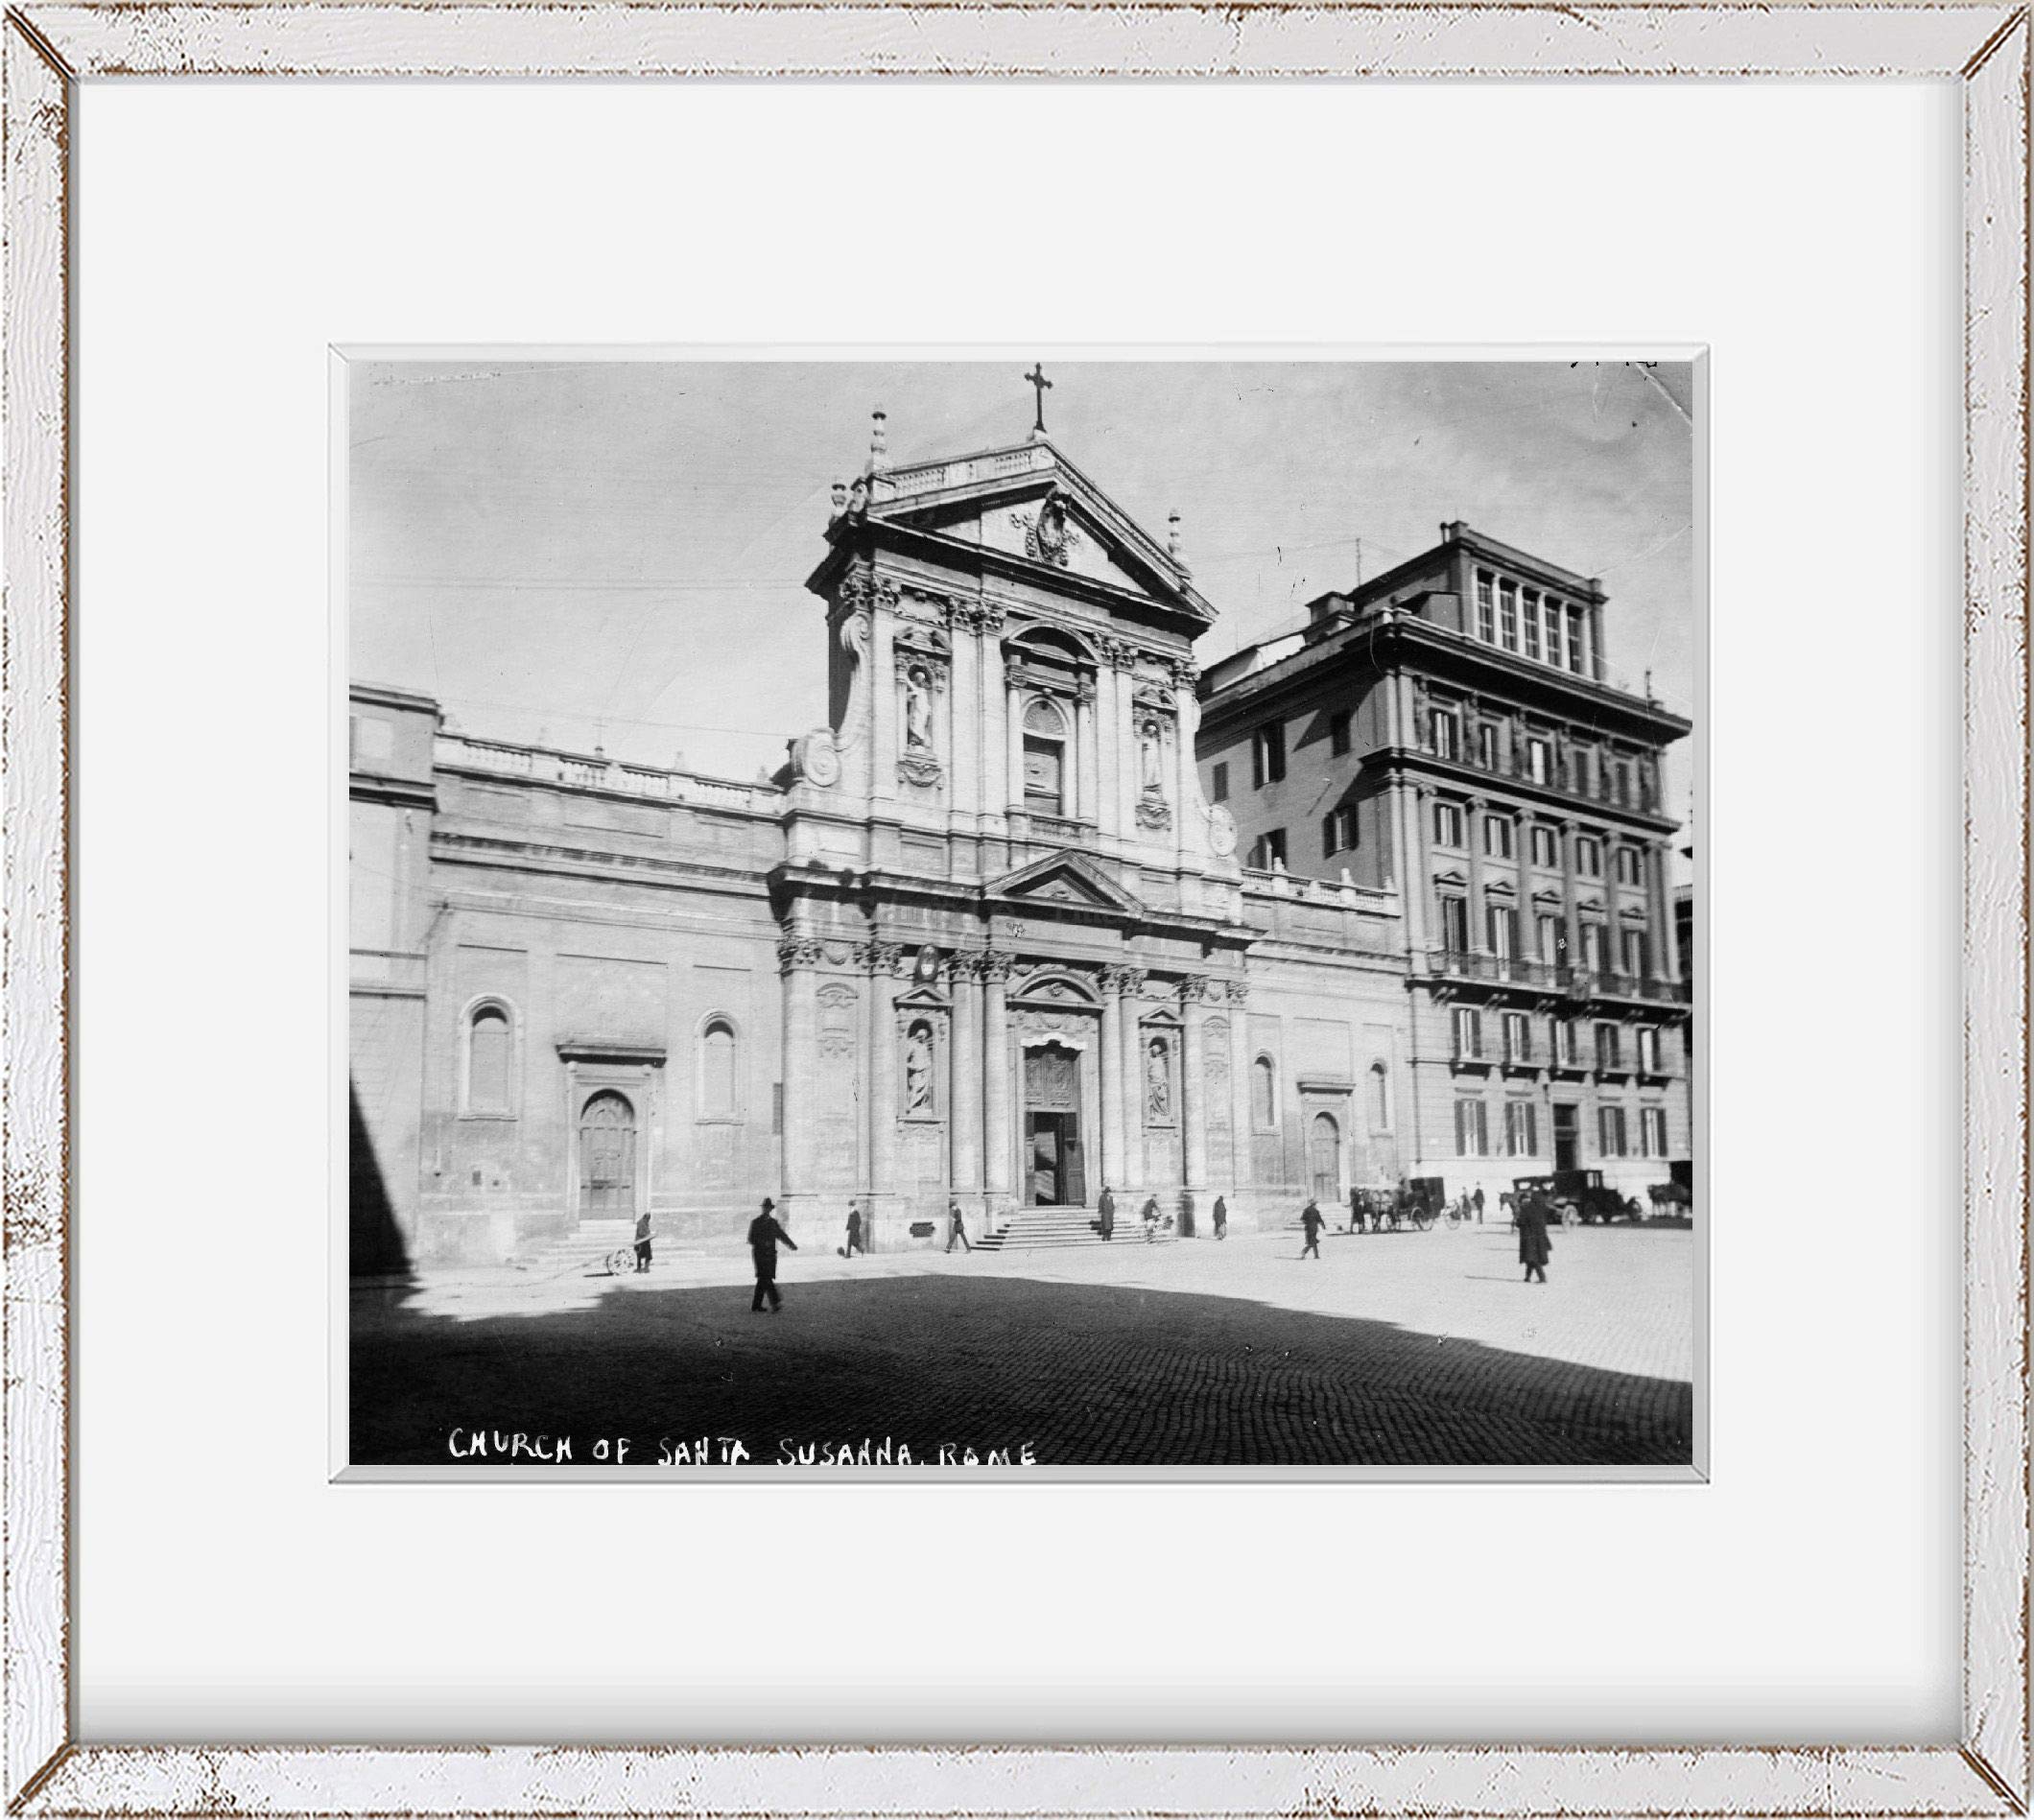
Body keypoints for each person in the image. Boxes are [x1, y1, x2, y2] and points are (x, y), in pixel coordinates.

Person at [747, 1197, 797, 1312]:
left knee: (763, 1279)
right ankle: (775, 1302)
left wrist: (791, 1244)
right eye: (765, 1207)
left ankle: (756, 1305)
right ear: (763, 1208)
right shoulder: (756, 1222)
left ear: (770, 1209)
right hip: (760, 1255)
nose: (766, 1210)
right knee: (766, 1278)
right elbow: (751, 1239)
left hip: (770, 1256)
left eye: (768, 1208)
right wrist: (763, 1243)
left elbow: (781, 1235)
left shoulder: (773, 1223)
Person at [1516, 1192, 1552, 1285]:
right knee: (1531, 1257)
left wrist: (1518, 1221)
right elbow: (1551, 1213)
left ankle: (1542, 1278)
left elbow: (1520, 1222)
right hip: (1541, 1237)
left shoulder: (1526, 1208)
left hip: (1529, 1238)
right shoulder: (1543, 1208)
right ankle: (1527, 1277)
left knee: (1533, 1258)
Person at [633, 1208, 653, 1274]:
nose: (648, 1220)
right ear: (645, 1218)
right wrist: (648, 1235)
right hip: (641, 1242)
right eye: (648, 1219)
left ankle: (644, 1268)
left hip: (644, 1242)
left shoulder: (644, 1222)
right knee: (644, 1255)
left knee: (644, 1256)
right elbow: (641, 1233)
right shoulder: (641, 1223)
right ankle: (643, 1268)